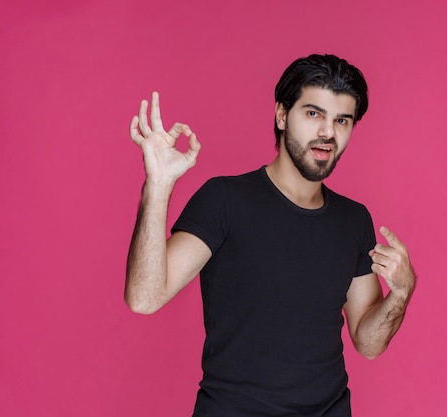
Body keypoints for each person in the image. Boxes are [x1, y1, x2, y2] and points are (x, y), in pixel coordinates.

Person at [125, 54, 416, 417]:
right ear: (282, 115)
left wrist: (401, 293)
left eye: (342, 120)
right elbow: (144, 297)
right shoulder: (225, 201)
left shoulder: (354, 219)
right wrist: (158, 187)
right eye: (313, 114)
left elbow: (368, 343)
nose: (328, 132)